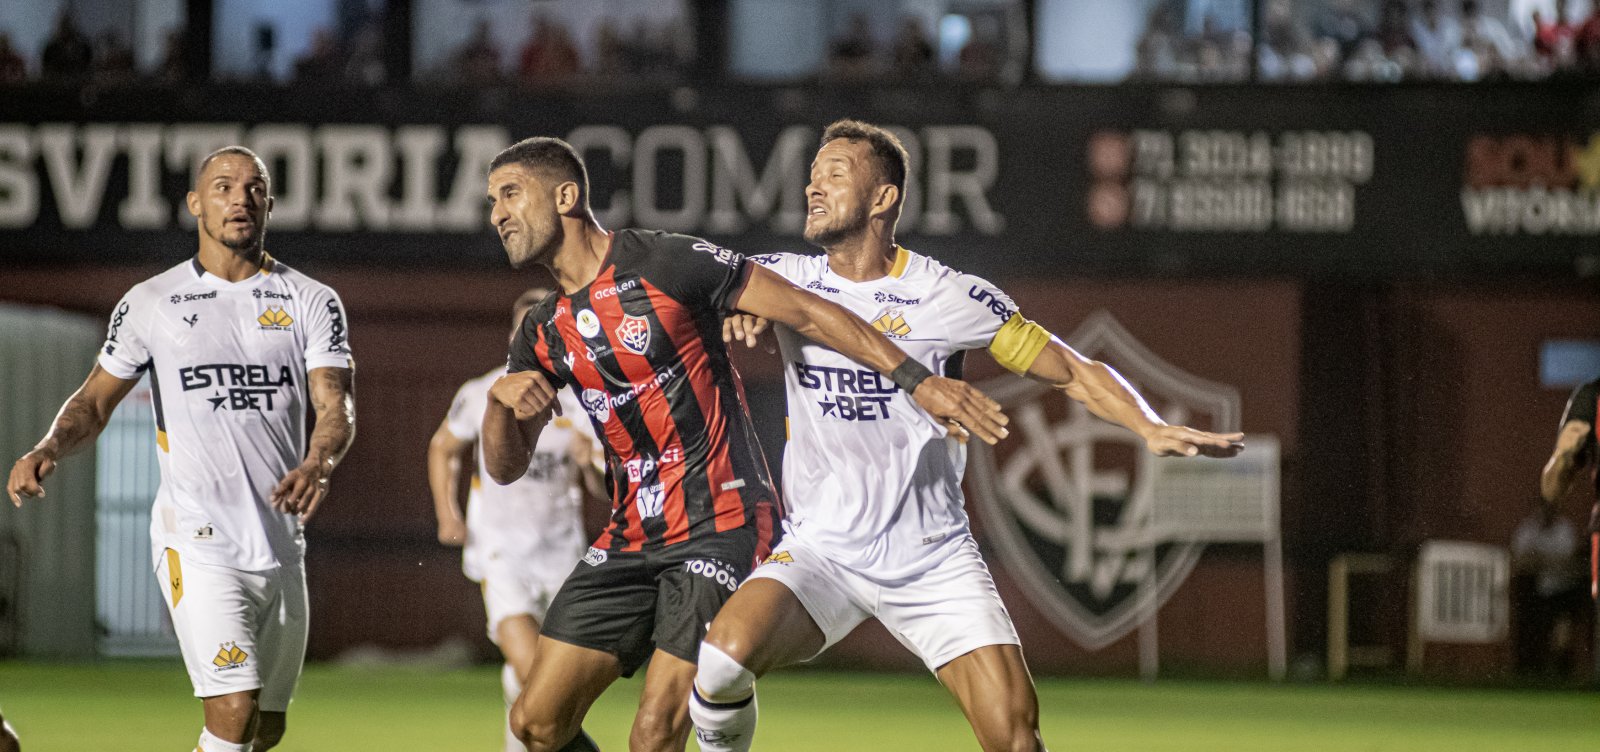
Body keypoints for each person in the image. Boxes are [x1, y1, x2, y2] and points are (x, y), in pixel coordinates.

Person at [693, 120, 1245, 752]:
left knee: (1015, 737)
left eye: (836, 174)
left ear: (883, 199)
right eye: (813, 177)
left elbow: (1070, 367)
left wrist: (1145, 424)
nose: (815, 188)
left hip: (932, 556)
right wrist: (734, 306)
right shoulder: (782, 277)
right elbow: (694, 293)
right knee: (721, 664)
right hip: (824, 550)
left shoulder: (946, 295)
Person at [480, 136, 1007, 752]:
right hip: (630, 535)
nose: (496, 214)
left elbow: (808, 312)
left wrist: (918, 382)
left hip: (721, 521)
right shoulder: (541, 330)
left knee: (654, 733)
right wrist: (497, 404)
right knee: (534, 726)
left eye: (510, 194)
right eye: (492, 201)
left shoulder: (666, 262)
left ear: (566, 195)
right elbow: (505, 468)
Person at [6, 146, 355, 752]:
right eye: (222, 186)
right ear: (195, 203)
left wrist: (317, 463)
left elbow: (335, 404)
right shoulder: (153, 302)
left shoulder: (310, 300)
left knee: (265, 729)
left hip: (279, 544)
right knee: (234, 709)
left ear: (269, 202)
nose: (239, 199)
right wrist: (50, 447)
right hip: (197, 539)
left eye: (254, 187)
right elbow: (94, 402)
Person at [430, 288, 604, 752]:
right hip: (501, 551)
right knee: (536, 675)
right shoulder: (483, 392)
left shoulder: (583, 401)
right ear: (514, 335)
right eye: (529, 330)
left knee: (548, 687)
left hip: (563, 552)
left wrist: (592, 465)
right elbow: (444, 446)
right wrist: (448, 515)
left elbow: (601, 489)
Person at [1510, 497, 1586, 678]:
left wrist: (1538, 559)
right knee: (1531, 624)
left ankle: (1562, 672)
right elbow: (1519, 561)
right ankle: (1530, 670)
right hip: (1538, 590)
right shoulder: (1529, 530)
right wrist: (1546, 560)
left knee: (1562, 632)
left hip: (1563, 590)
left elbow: (1567, 562)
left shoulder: (1564, 530)